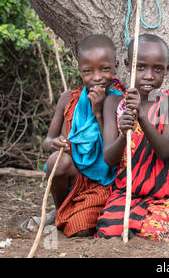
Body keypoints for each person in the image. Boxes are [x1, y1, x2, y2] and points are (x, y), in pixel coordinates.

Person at [21, 34, 125, 237]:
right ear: (80, 71)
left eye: (104, 69)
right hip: (74, 178)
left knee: (82, 231)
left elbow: (112, 156)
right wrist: (55, 143)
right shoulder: (68, 99)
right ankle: (60, 211)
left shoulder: (119, 103)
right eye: (88, 71)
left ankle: (62, 217)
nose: (96, 77)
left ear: (116, 66)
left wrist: (98, 111)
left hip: (103, 185)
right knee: (55, 162)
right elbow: (47, 141)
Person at [94, 34, 169, 241]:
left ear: (167, 68)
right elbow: (109, 159)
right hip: (125, 193)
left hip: (163, 194)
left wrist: (141, 116)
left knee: (154, 230)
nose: (148, 75)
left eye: (157, 69)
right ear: (127, 65)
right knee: (108, 230)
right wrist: (124, 135)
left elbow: (166, 150)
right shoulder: (113, 104)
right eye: (140, 67)